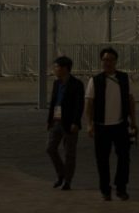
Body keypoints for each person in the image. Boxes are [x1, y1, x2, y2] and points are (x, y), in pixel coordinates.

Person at [84, 47, 138, 201]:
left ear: (116, 61)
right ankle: (105, 189)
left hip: (121, 125)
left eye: (110, 60)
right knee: (102, 159)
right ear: (101, 61)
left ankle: (121, 188)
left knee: (124, 158)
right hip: (101, 126)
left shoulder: (124, 78)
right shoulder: (95, 80)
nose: (107, 63)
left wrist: (133, 121)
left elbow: (131, 100)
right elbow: (89, 104)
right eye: (105, 60)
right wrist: (89, 124)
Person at [47, 55, 84, 190]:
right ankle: (61, 173)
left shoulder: (77, 84)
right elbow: (53, 102)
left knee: (69, 153)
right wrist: (49, 120)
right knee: (50, 149)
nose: (54, 69)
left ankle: (67, 180)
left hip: (70, 123)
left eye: (56, 67)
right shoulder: (56, 83)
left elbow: (79, 105)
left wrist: (75, 122)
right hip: (56, 121)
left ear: (65, 69)